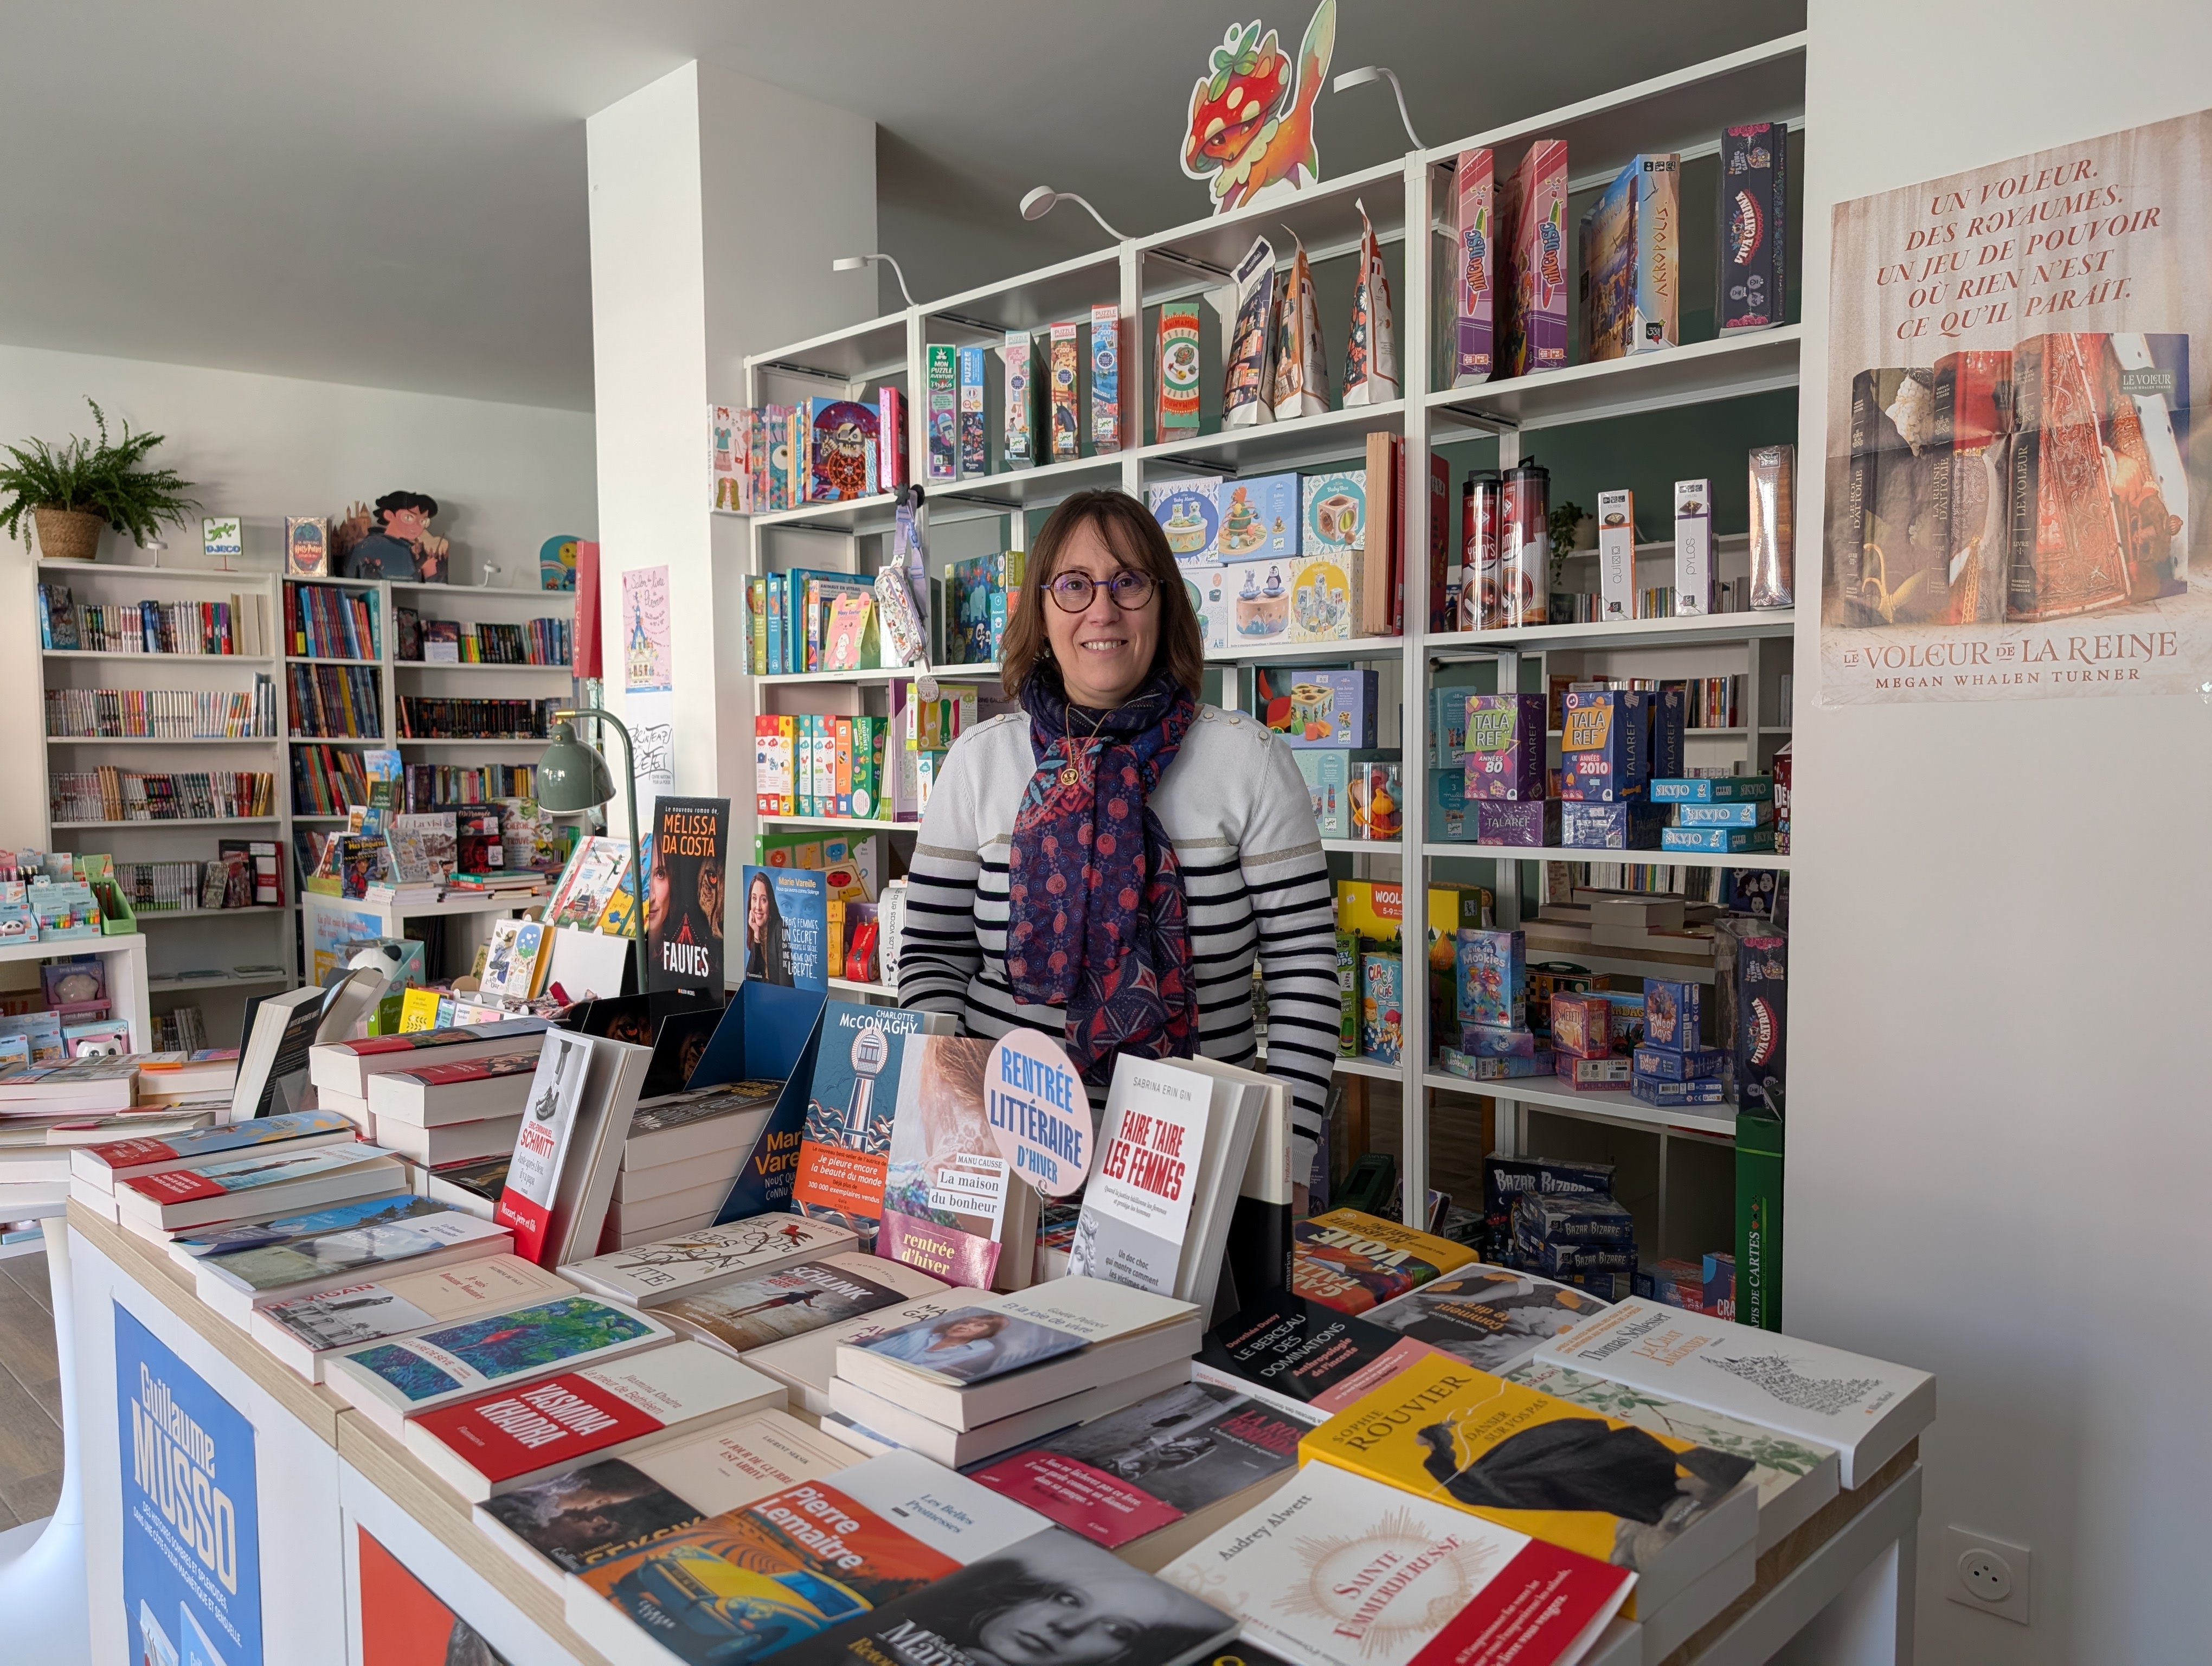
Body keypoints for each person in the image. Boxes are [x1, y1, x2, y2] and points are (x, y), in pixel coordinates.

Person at [899, 489, 1338, 1199]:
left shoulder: (1249, 761)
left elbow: (1305, 975)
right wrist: (950, 1124)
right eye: (1073, 585)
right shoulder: (978, 762)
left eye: (1128, 582)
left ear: (1163, 604)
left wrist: (1277, 1170)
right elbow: (931, 957)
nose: (1101, 610)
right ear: (1041, 611)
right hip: (996, 1167)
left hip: (1192, 1174)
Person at [743, 869, 794, 986]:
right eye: (754, 898)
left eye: (764, 900)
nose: (758, 907)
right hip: (761, 995)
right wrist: (756, 936)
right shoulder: (755, 930)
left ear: (770, 903)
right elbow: (750, 978)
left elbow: (786, 983)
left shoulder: (780, 928)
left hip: (780, 998)